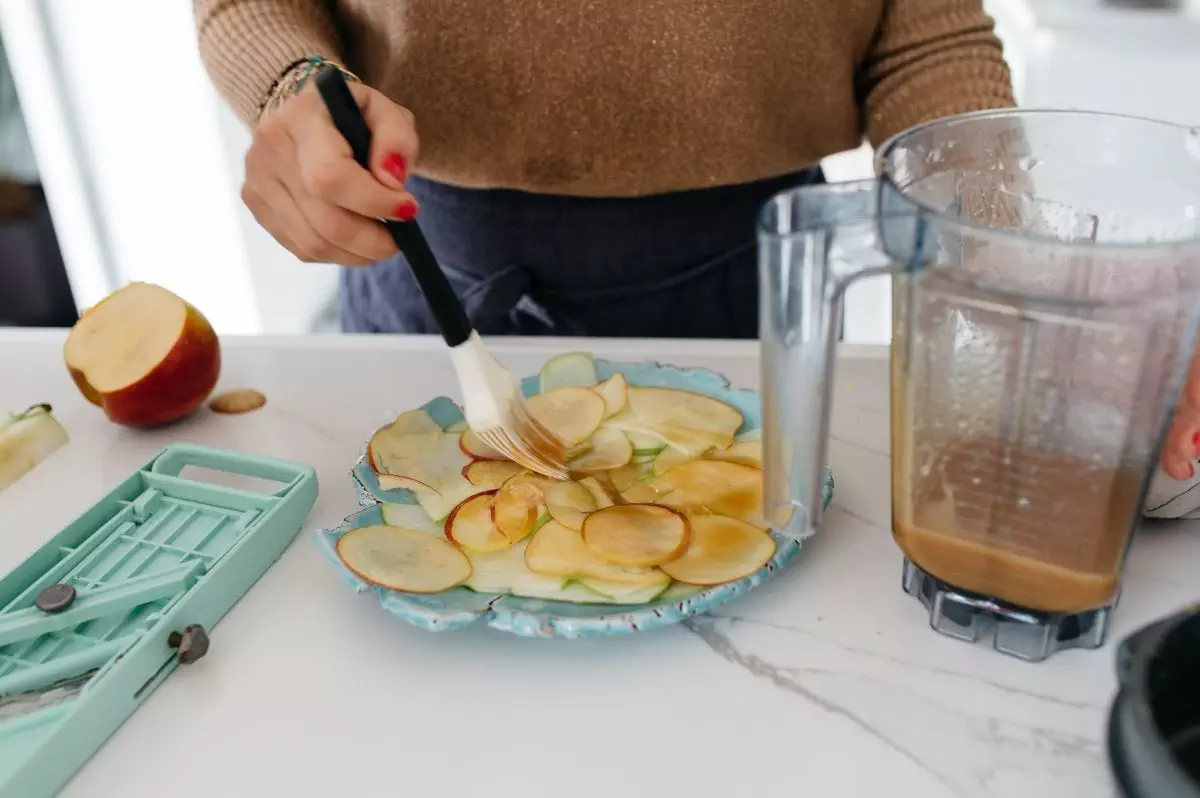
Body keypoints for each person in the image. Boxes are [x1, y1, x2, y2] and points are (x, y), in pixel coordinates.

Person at [193, 0, 1200, 490]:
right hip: (429, 271)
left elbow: (923, 34)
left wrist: (1025, 275)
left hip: (759, 289)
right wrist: (290, 85)